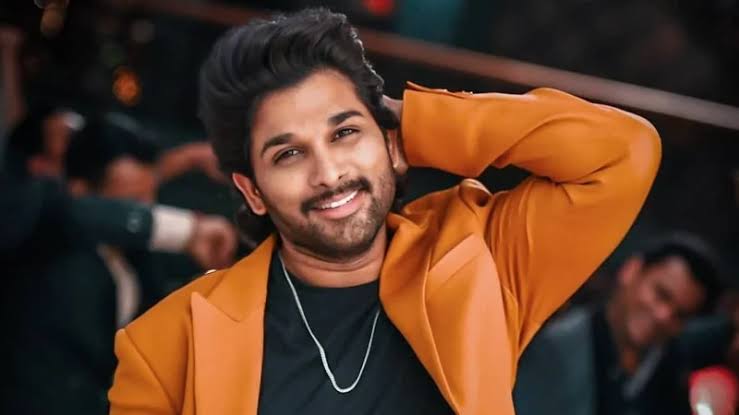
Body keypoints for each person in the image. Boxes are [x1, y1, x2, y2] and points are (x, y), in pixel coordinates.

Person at [108, 8, 661, 414]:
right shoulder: (164, 346)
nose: (329, 173)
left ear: (391, 144)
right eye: (289, 154)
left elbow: (624, 154)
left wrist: (416, 123)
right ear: (253, 192)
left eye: (345, 133)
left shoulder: (482, 257)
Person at [513, 233, 724, 415]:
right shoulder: (558, 349)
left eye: (680, 315)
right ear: (631, 270)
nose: (663, 315)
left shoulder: (669, 370)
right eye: (661, 294)